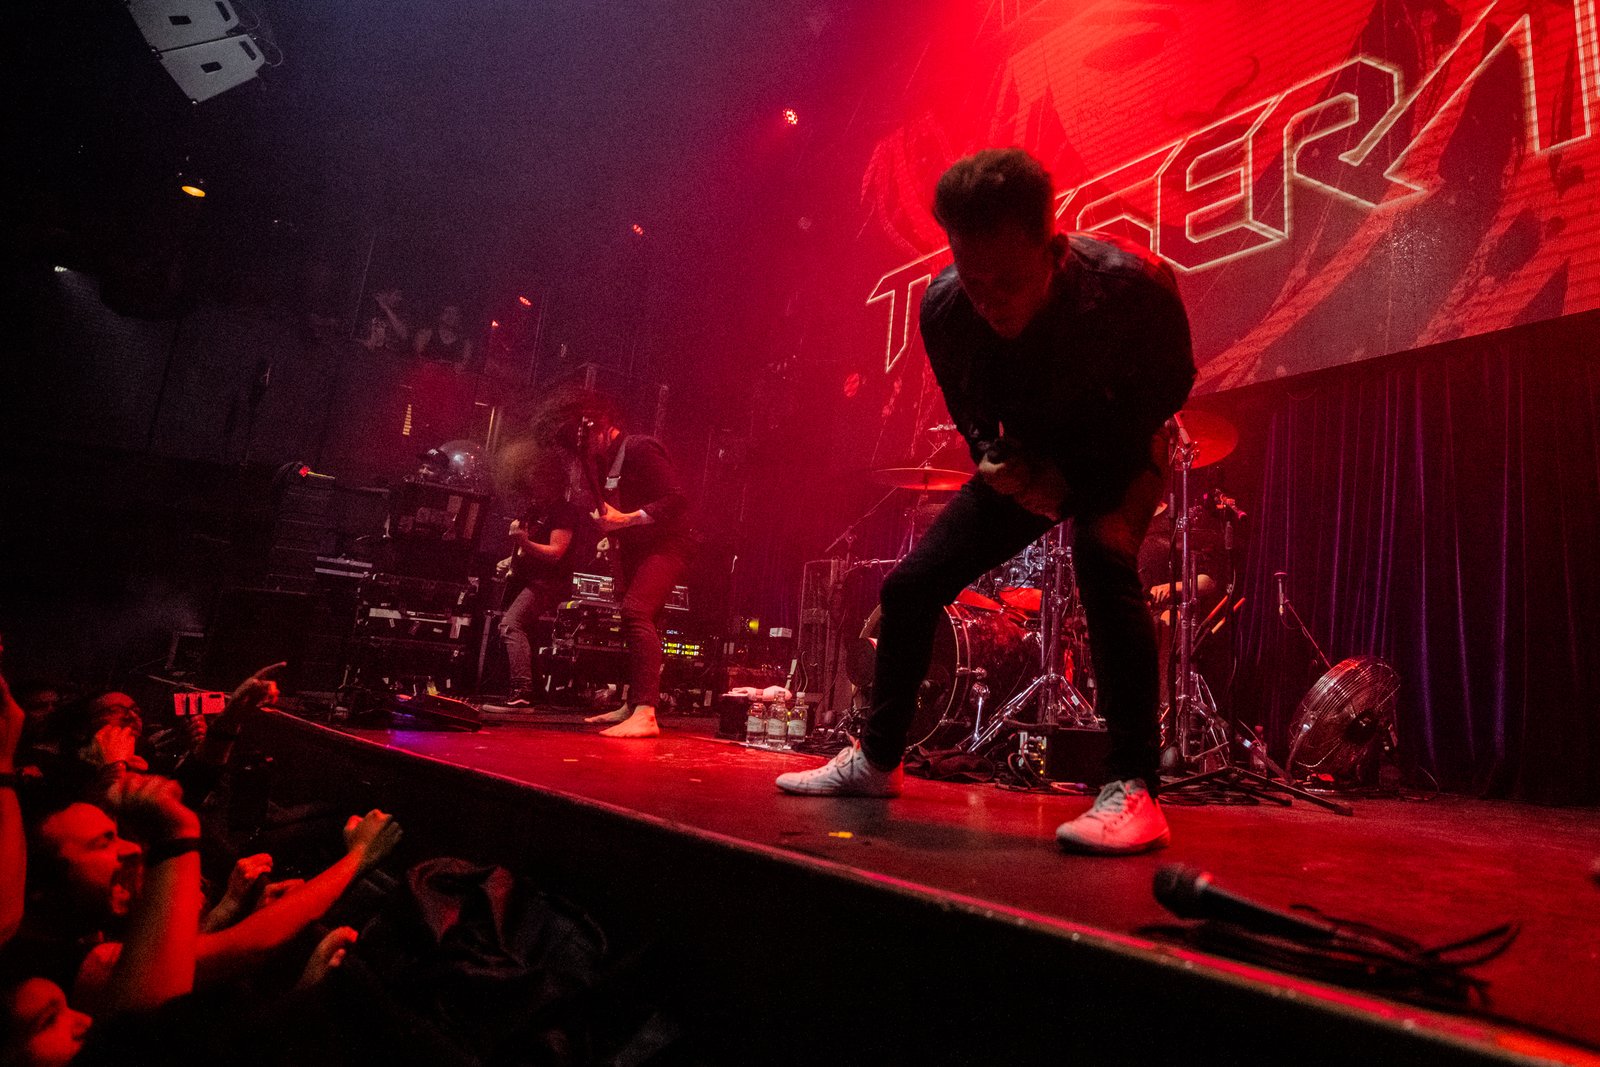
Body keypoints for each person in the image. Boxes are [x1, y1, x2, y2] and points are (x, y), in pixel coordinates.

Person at [777, 148, 1195, 856]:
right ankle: (877, 761)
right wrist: (995, 461)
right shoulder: (945, 306)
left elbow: (1170, 386)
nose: (990, 300)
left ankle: (1135, 787)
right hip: (1034, 454)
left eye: (1009, 281)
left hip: (1124, 444)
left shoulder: (1134, 286)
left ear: (1053, 253)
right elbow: (972, 412)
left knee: (1102, 557)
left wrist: (1074, 475)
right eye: (975, 281)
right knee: (909, 589)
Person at [535, 394, 693, 739]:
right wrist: (614, 532)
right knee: (635, 620)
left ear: (599, 426)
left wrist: (628, 519)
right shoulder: (606, 462)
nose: (584, 450)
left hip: (667, 547)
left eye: (583, 440)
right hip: (636, 548)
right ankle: (632, 702)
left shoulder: (639, 448)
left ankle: (646, 713)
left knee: (636, 612)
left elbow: (677, 499)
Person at [495, 464, 583, 708]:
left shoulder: (564, 512)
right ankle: (536, 691)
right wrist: (510, 561)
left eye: (537, 481)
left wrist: (523, 541)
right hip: (533, 579)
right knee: (528, 633)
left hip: (549, 582)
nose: (532, 487)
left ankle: (522, 689)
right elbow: (529, 549)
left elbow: (556, 553)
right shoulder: (535, 510)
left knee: (511, 625)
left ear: (552, 483)